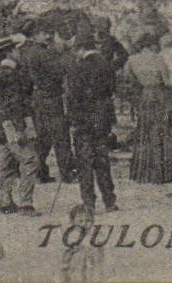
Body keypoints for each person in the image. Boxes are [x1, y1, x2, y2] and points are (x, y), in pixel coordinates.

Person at [65, 29, 118, 213]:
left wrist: (73, 120)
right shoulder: (107, 65)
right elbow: (112, 90)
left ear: (80, 48)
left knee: (85, 162)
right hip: (102, 118)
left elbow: (72, 97)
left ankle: (89, 202)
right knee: (102, 160)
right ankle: (110, 200)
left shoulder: (77, 68)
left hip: (84, 120)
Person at [0, 34, 40, 216]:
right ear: (10, 53)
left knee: (5, 163)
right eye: (16, 49)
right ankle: (25, 204)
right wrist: (20, 129)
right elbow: (15, 105)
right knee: (30, 160)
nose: (19, 53)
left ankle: (4, 201)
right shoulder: (12, 76)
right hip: (11, 126)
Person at [125, 32, 172, 183]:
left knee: (144, 132)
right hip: (158, 97)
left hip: (144, 97)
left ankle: (141, 173)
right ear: (152, 45)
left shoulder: (132, 60)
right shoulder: (158, 59)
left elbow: (128, 81)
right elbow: (169, 83)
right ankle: (160, 174)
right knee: (160, 132)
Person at [29, 26, 74, 186]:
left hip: (41, 98)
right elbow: (59, 69)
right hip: (50, 97)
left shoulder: (34, 51)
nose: (47, 36)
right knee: (60, 134)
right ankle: (67, 172)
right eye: (44, 33)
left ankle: (39, 171)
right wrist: (65, 51)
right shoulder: (42, 53)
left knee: (43, 136)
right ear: (35, 35)